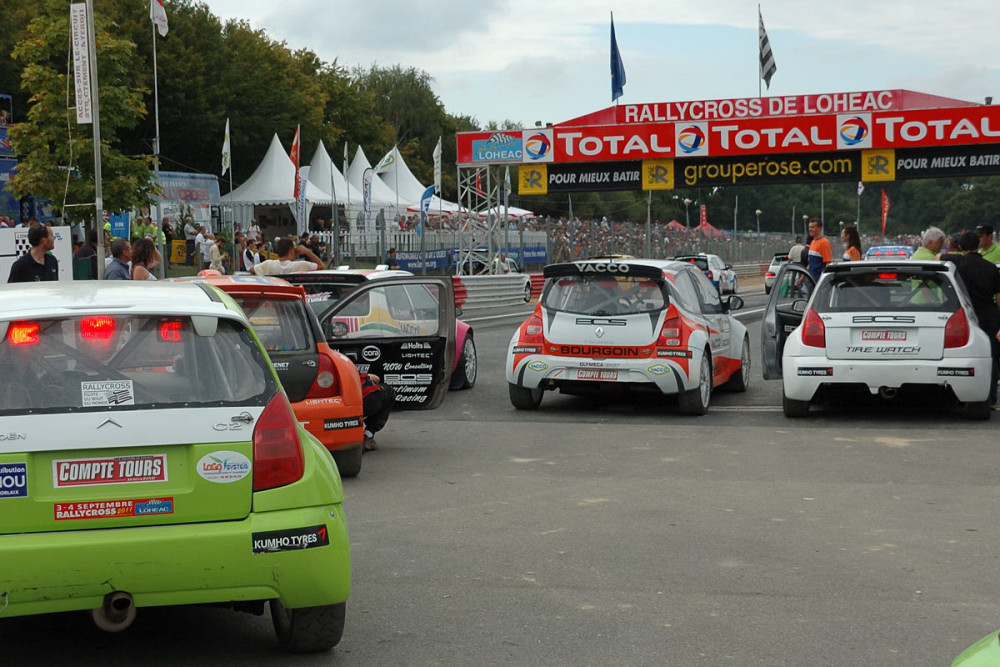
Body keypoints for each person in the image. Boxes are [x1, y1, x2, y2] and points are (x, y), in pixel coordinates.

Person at [941, 230, 1000, 405]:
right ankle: (990, 396)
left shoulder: (957, 264)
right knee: (992, 356)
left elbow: (939, 257)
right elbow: (999, 299)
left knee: (964, 354)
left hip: (966, 313)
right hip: (988, 313)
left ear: (959, 247)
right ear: (978, 245)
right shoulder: (991, 267)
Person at [250, 237, 325, 276]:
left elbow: (251, 269)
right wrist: (307, 251)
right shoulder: (302, 265)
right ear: (292, 251)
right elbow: (321, 266)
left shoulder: (268, 264)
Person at [360, 372, 395, 451]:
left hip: (339, 405)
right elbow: (376, 378)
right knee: (388, 391)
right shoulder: (343, 364)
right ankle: (368, 435)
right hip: (363, 401)